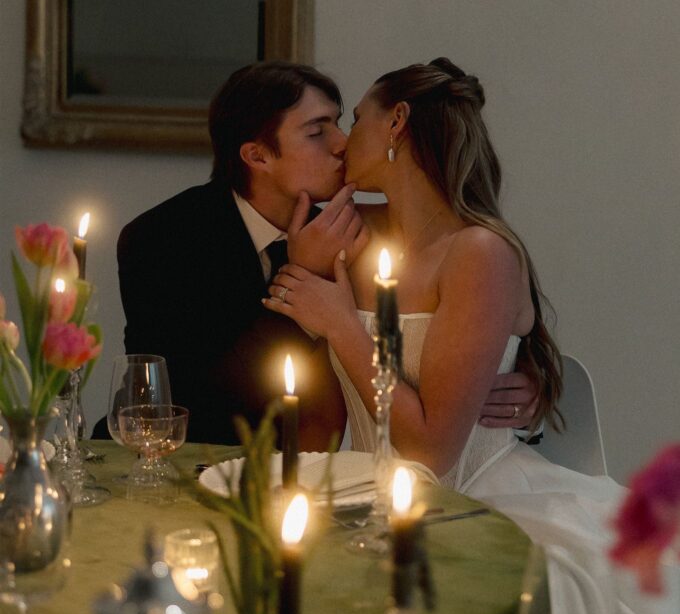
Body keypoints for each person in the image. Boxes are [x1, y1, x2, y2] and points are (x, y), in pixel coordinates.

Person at [262, 58, 631, 555]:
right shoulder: (349, 233)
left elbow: (431, 454)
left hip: (469, 500)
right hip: (361, 495)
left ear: (396, 122)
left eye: (354, 121)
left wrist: (342, 325)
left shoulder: (479, 253)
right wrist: (306, 266)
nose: (344, 141)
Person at [113, 60, 537, 448]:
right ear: (257, 155)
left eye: (342, 122)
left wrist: (534, 383)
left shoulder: (360, 233)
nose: (341, 144)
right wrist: (305, 272)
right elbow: (192, 396)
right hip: (185, 460)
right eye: (318, 131)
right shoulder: (161, 239)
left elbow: (496, 322)